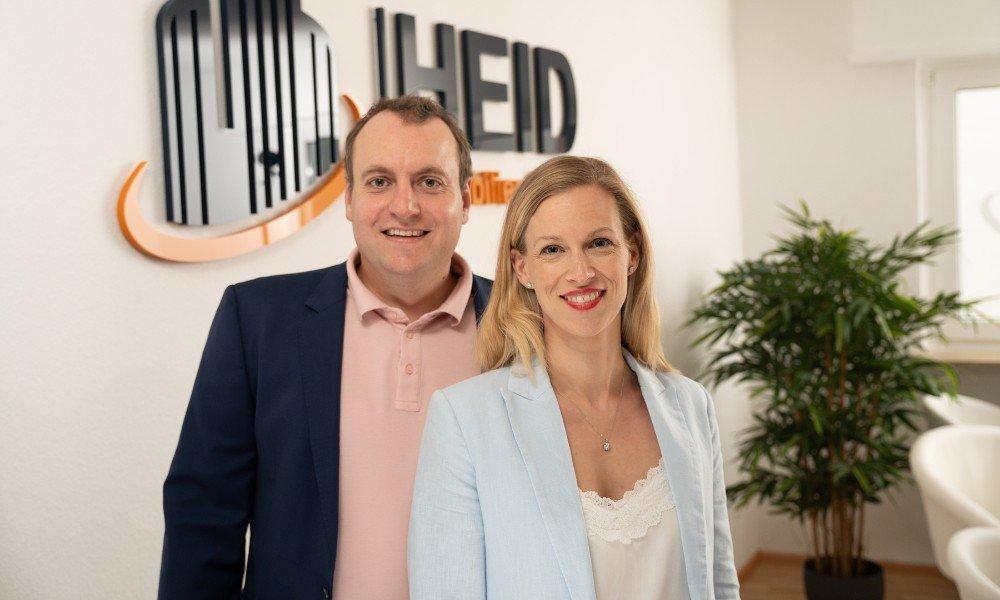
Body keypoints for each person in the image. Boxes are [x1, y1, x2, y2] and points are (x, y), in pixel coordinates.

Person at [158, 96, 493, 600]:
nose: (405, 206)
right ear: (350, 199)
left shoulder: (525, 325)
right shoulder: (256, 320)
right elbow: (203, 513)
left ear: (464, 201)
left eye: (429, 181)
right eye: (379, 181)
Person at [408, 156, 740, 599]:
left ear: (632, 254)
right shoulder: (465, 420)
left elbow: (719, 582)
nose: (581, 272)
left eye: (599, 243)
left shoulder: (691, 406)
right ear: (522, 268)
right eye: (553, 250)